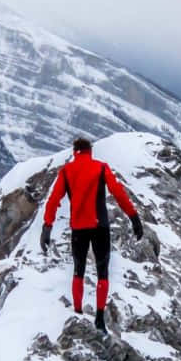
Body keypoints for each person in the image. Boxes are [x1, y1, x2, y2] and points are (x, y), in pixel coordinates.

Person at [40, 137, 143, 332]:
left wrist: (47, 226)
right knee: (102, 273)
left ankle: (77, 311)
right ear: (90, 151)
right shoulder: (101, 168)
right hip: (100, 227)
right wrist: (134, 217)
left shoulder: (66, 172)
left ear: (74, 151)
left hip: (78, 228)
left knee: (78, 270)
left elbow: (53, 200)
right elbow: (118, 193)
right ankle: (99, 318)